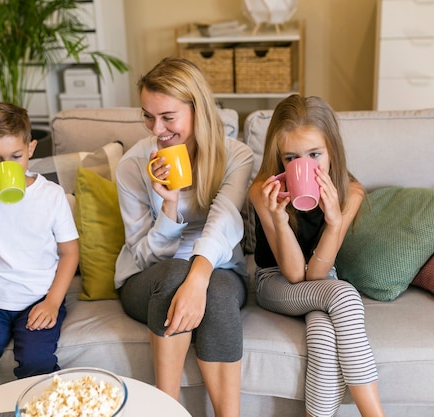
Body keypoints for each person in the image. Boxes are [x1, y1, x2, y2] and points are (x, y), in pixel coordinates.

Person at [114, 57, 254, 417]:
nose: (156, 129)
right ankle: (167, 410)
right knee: (176, 274)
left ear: (198, 109)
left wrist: (198, 277)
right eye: (148, 115)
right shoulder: (132, 166)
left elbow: (224, 221)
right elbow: (143, 255)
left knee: (218, 291)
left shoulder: (235, 156)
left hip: (218, 271)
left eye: (167, 117)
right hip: (147, 278)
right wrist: (170, 205)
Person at [248, 94, 386, 417]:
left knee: (323, 336)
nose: (303, 165)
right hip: (276, 282)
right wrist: (280, 221)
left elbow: (318, 276)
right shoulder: (262, 191)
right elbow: (296, 275)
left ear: (332, 152)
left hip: (322, 283)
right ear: (279, 160)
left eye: (314, 155)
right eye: (291, 158)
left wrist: (335, 221)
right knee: (346, 298)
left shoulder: (351, 192)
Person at [0, 102, 79, 395]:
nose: (6, 166)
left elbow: (70, 252)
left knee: (36, 364)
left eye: (15, 157)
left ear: (31, 149)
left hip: (38, 297)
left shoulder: (51, 195)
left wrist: (52, 302)